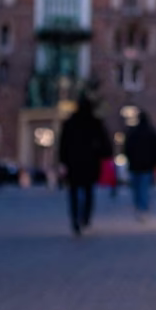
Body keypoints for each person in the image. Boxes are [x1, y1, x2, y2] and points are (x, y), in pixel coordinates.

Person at [59, 95, 112, 235]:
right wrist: (104, 155)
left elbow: (63, 144)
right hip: (90, 162)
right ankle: (86, 217)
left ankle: (75, 218)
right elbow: (105, 143)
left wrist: (63, 161)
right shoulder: (95, 123)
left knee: (74, 192)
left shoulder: (70, 123)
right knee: (88, 191)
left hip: (73, 163)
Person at [124, 111, 156, 218]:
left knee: (136, 187)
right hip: (147, 165)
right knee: (144, 187)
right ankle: (143, 208)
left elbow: (127, 148)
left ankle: (138, 206)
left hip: (135, 165)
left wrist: (130, 159)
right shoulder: (151, 133)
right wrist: (155, 162)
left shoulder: (132, 132)